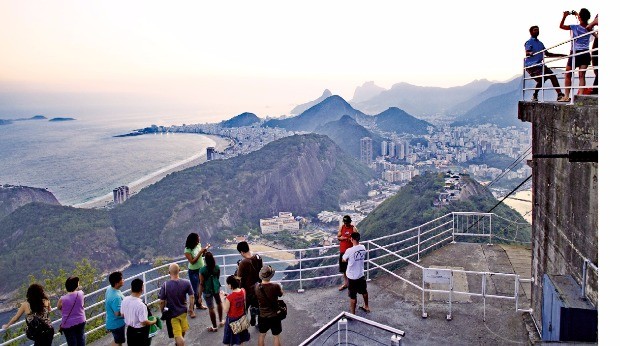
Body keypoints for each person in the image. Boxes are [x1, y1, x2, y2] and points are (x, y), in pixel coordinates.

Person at [523, 25, 566, 102]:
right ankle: (535, 95)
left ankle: (559, 94)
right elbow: (527, 52)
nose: (537, 31)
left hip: (540, 65)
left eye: (538, 30)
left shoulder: (540, 43)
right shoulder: (529, 42)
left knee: (551, 76)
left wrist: (561, 55)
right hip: (532, 66)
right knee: (542, 79)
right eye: (535, 30)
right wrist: (530, 53)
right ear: (531, 32)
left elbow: (548, 54)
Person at [559, 8, 592, 100]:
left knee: (568, 74)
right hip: (585, 53)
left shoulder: (574, 27)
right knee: (582, 75)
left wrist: (564, 16)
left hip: (575, 53)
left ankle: (566, 96)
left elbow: (561, 26)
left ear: (580, 17)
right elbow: (583, 21)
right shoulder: (589, 27)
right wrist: (577, 14)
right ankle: (580, 95)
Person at [158, 263, 194, 346]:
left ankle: (180, 343)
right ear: (179, 271)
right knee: (182, 330)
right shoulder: (186, 282)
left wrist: (162, 310)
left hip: (172, 314)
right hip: (183, 312)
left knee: (178, 335)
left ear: (169, 272)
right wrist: (191, 308)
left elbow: (162, 301)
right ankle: (179, 342)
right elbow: (191, 296)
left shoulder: (166, 285)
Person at [121, 278, 157, 346]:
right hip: (140, 332)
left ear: (131, 288)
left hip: (130, 331)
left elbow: (122, 315)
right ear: (142, 289)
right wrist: (154, 321)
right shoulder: (141, 305)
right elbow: (143, 322)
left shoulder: (124, 300)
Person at [255, 266, 284, 346]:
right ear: (270, 276)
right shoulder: (275, 286)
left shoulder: (257, 287)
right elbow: (281, 294)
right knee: (276, 336)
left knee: (262, 335)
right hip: (274, 315)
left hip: (262, 315)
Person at [235, 241, 263, 326]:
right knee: (256, 305)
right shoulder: (258, 257)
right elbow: (262, 273)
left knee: (243, 310)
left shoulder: (243, 263)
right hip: (257, 288)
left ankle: (243, 328)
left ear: (241, 252)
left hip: (246, 291)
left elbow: (239, 279)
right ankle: (257, 321)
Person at [342, 232, 370, 315]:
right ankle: (367, 306)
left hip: (352, 276)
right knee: (364, 291)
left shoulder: (349, 250)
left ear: (352, 239)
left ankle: (353, 314)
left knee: (353, 296)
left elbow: (344, 259)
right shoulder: (363, 247)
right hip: (361, 274)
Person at [198, 250, 224, 332]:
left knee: (211, 308)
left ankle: (214, 327)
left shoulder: (202, 270)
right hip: (216, 288)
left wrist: (199, 296)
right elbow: (217, 277)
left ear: (205, 260)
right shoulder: (217, 267)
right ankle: (220, 321)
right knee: (219, 303)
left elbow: (201, 284)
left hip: (207, 290)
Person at [220, 275, 250, 345]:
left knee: (230, 338)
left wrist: (222, 299)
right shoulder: (243, 291)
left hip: (232, 320)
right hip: (241, 317)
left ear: (230, 285)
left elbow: (226, 310)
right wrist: (227, 296)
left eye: (227, 284)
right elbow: (237, 298)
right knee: (241, 337)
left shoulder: (230, 298)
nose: (227, 286)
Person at [58, 276, 86, 346]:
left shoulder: (62, 299)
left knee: (72, 343)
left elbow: (58, 307)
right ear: (76, 285)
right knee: (81, 339)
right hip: (81, 320)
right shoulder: (81, 293)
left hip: (68, 324)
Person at [184, 233, 208, 310]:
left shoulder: (198, 245)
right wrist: (200, 252)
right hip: (193, 271)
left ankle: (198, 303)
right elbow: (192, 262)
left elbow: (202, 256)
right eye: (197, 239)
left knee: (201, 286)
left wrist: (204, 252)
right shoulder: (187, 250)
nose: (199, 241)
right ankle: (193, 307)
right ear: (193, 241)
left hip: (201, 269)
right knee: (195, 289)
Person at [337, 215, 359, 291]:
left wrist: (350, 239)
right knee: (344, 269)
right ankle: (346, 283)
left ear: (350, 222)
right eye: (345, 223)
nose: (346, 224)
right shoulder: (341, 227)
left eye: (347, 222)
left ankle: (353, 284)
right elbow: (338, 237)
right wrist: (342, 238)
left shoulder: (353, 228)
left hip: (351, 252)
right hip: (343, 251)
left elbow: (357, 238)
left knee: (352, 268)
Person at [105, 271, 126, 346]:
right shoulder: (116, 297)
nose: (123, 280)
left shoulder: (109, 288)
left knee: (117, 340)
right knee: (119, 342)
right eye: (121, 279)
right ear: (116, 283)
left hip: (111, 321)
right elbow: (117, 313)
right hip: (117, 324)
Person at [586, 14, 598, 95]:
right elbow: (588, 27)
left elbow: (589, 27)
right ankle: (595, 89)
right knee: (597, 68)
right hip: (597, 43)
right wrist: (597, 36)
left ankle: (596, 89)